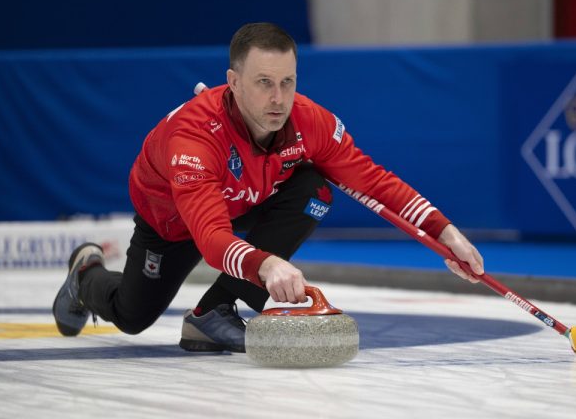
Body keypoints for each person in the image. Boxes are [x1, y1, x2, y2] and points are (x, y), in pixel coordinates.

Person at [52, 22, 485, 353]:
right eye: (263, 83)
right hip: (176, 220)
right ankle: (85, 275)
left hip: (248, 197)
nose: (278, 99)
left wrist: (447, 234)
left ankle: (211, 312)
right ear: (234, 82)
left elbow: (373, 181)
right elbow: (212, 240)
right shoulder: (195, 139)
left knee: (316, 188)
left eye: (287, 82)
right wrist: (266, 266)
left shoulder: (308, 120)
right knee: (132, 316)